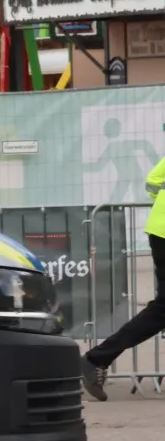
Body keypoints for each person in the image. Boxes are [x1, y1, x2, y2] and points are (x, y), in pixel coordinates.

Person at [83, 146, 165, 400]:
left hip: (160, 229)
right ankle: (97, 358)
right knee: (162, 309)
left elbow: (153, 181)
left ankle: (98, 358)